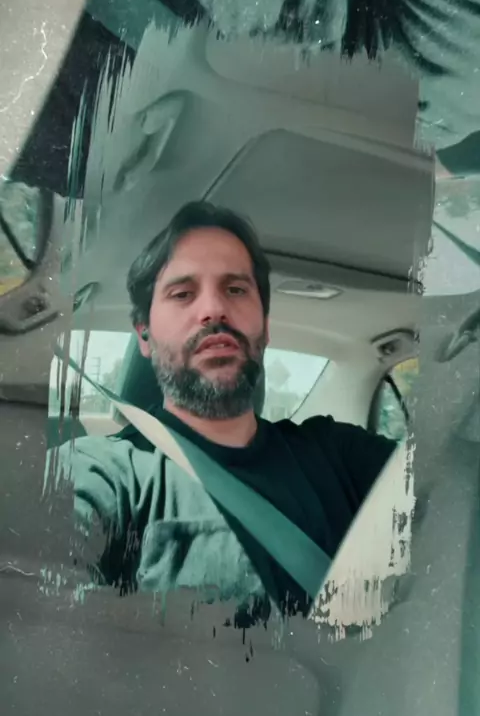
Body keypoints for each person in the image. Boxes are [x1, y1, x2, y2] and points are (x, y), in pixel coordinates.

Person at [53, 200, 398, 620]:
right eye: (182, 293)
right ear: (144, 335)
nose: (213, 310)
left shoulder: (339, 454)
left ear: (265, 327)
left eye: (235, 290)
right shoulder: (106, 473)